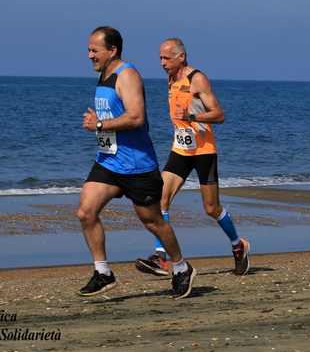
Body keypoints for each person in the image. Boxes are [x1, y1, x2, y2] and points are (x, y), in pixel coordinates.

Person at [77, 27, 195, 299]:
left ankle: (180, 267)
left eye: (94, 50)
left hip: (136, 165)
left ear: (112, 50)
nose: (89, 55)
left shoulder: (127, 75)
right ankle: (103, 272)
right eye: (89, 50)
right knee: (85, 211)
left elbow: (136, 117)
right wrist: (101, 123)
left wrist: (99, 123)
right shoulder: (104, 75)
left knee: (153, 222)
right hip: (108, 162)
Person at [134, 38, 251, 276]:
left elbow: (219, 115)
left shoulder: (197, 79)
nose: (162, 63)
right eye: (160, 58)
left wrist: (194, 118)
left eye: (166, 58)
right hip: (180, 150)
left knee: (211, 208)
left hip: (204, 152)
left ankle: (238, 245)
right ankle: (160, 257)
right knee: (161, 198)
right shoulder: (171, 79)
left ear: (181, 57)